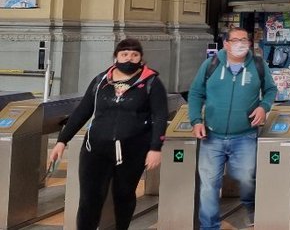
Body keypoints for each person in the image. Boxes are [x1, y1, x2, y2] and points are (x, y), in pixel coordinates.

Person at [50, 38, 168, 230]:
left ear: (141, 58)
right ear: (115, 58)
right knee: (89, 198)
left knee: (123, 195)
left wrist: (155, 148)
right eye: (124, 54)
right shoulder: (100, 81)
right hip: (95, 149)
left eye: (135, 55)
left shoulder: (151, 83)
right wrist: (62, 140)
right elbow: (83, 111)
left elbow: (160, 116)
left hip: (132, 151)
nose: (129, 58)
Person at [188, 27, 277, 230]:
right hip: (212, 135)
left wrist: (264, 107)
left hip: (244, 135)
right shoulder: (211, 65)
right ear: (226, 44)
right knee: (209, 186)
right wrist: (196, 120)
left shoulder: (258, 64)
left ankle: (250, 205)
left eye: (244, 40)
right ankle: (209, 227)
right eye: (235, 40)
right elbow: (195, 93)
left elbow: (271, 89)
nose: (240, 43)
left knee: (246, 177)